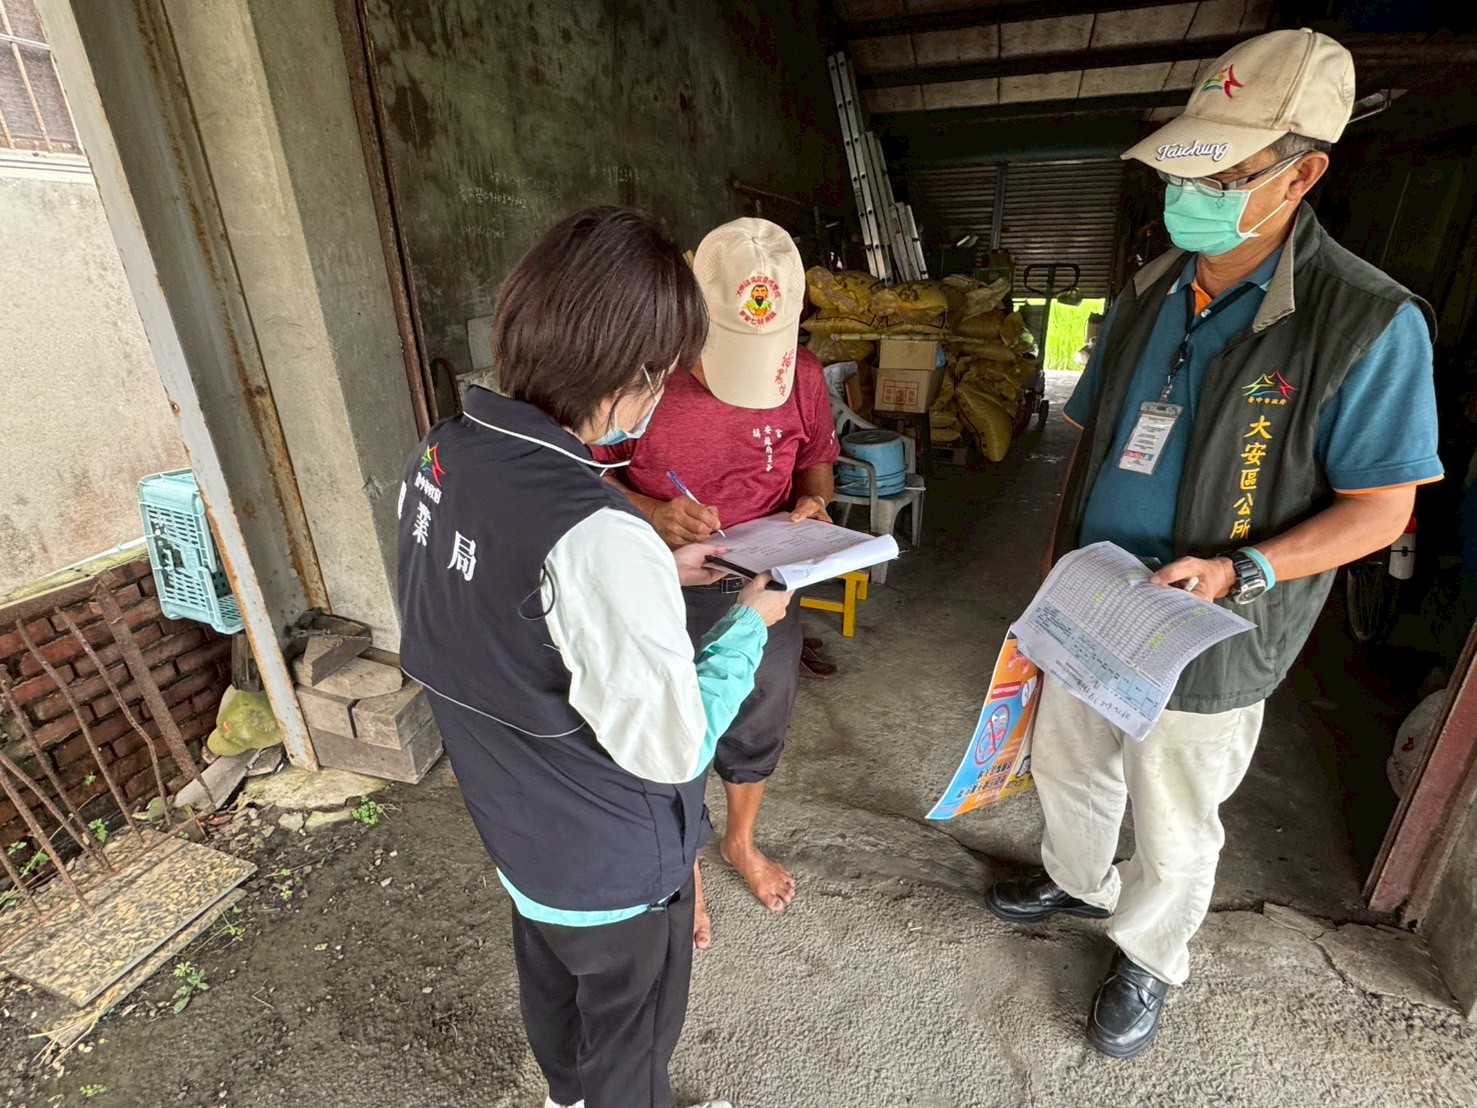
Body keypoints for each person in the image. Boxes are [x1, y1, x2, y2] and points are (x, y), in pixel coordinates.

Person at [984, 28, 1443, 1059]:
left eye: (1221, 173)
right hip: (1098, 595)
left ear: (1303, 174)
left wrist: (1246, 566)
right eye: (1185, 167)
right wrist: (1057, 564)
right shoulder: (1152, 289)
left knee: (1175, 802)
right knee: (1070, 760)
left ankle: (1148, 954)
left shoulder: (1363, 321)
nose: (1186, 194)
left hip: (1212, 625)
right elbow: (1094, 441)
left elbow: (1383, 510)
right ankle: (1074, 877)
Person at [395, 206, 795, 1108]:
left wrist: (649, 565)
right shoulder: (597, 529)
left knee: (559, 1004)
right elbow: (673, 750)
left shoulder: (442, 454)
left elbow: (503, 607)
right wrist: (744, 624)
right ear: (628, 374)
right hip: (613, 864)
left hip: (517, 831)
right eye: (661, 375)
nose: (661, 395)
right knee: (631, 1048)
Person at [597, 217, 840, 931]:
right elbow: (581, 477)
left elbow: (814, 453)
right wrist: (649, 510)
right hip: (662, 582)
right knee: (666, 722)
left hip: (764, 580)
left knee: (757, 714)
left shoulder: (801, 374)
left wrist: (814, 498)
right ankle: (684, 863)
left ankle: (738, 840)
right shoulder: (636, 381)